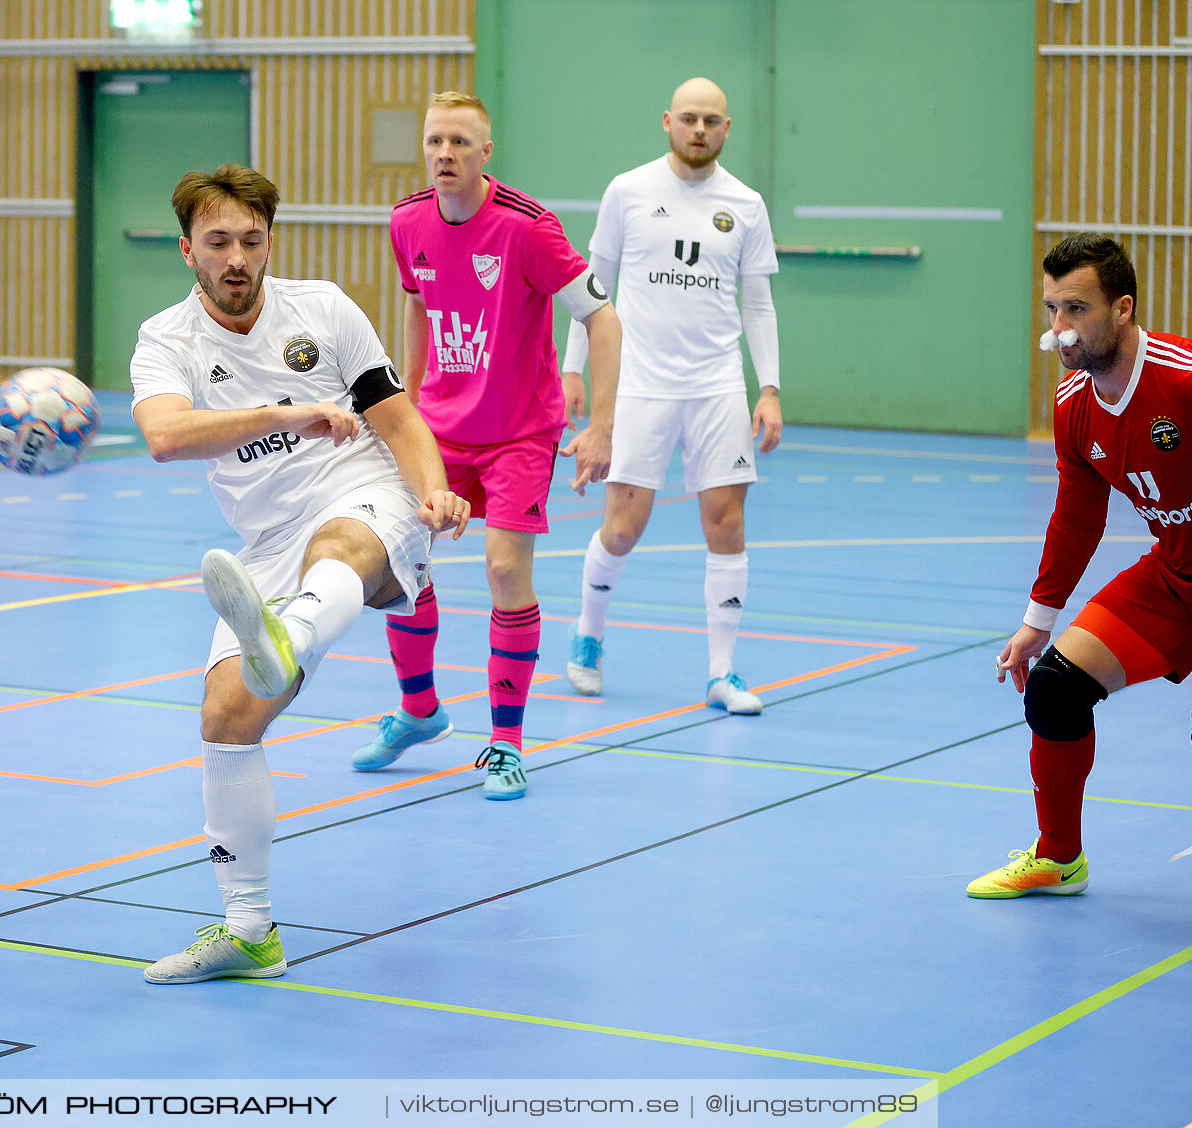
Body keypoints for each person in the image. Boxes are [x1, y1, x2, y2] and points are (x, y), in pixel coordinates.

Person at [131, 164, 468, 983]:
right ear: (188, 252)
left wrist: (435, 489)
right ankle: (250, 933)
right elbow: (167, 436)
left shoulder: (321, 309)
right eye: (218, 243)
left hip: (360, 494)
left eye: (251, 240)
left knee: (339, 548)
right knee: (224, 717)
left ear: (269, 241)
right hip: (266, 539)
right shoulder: (165, 340)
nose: (237, 256)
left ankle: (288, 631)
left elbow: (397, 418)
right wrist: (285, 415)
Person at [351, 91, 620, 800]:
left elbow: (603, 319)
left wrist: (602, 425)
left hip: (520, 433)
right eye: (436, 141)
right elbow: (415, 301)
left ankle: (504, 744)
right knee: (396, 564)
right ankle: (418, 710)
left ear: (485, 152)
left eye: (460, 143)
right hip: (439, 427)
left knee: (505, 572)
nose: (445, 154)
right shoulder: (407, 219)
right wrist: (403, 401)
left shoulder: (529, 228)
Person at [972, 233, 1192, 897]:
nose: (1059, 330)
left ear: (1122, 309)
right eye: (1052, 310)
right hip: (1178, 577)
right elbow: (1077, 518)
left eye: (1077, 310)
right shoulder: (1074, 405)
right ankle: (1058, 859)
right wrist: (1038, 621)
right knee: (1056, 690)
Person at [560, 76, 783, 715]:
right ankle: (588, 634)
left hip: (716, 387)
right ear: (667, 121)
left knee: (727, 523)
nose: (699, 130)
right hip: (640, 384)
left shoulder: (745, 204)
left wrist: (768, 388)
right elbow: (592, 287)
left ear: (726, 129)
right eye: (688, 118)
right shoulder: (628, 191)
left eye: (711, 121)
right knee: (624, 527)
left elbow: (758, 302)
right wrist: (574, 370)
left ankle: (722, 672)